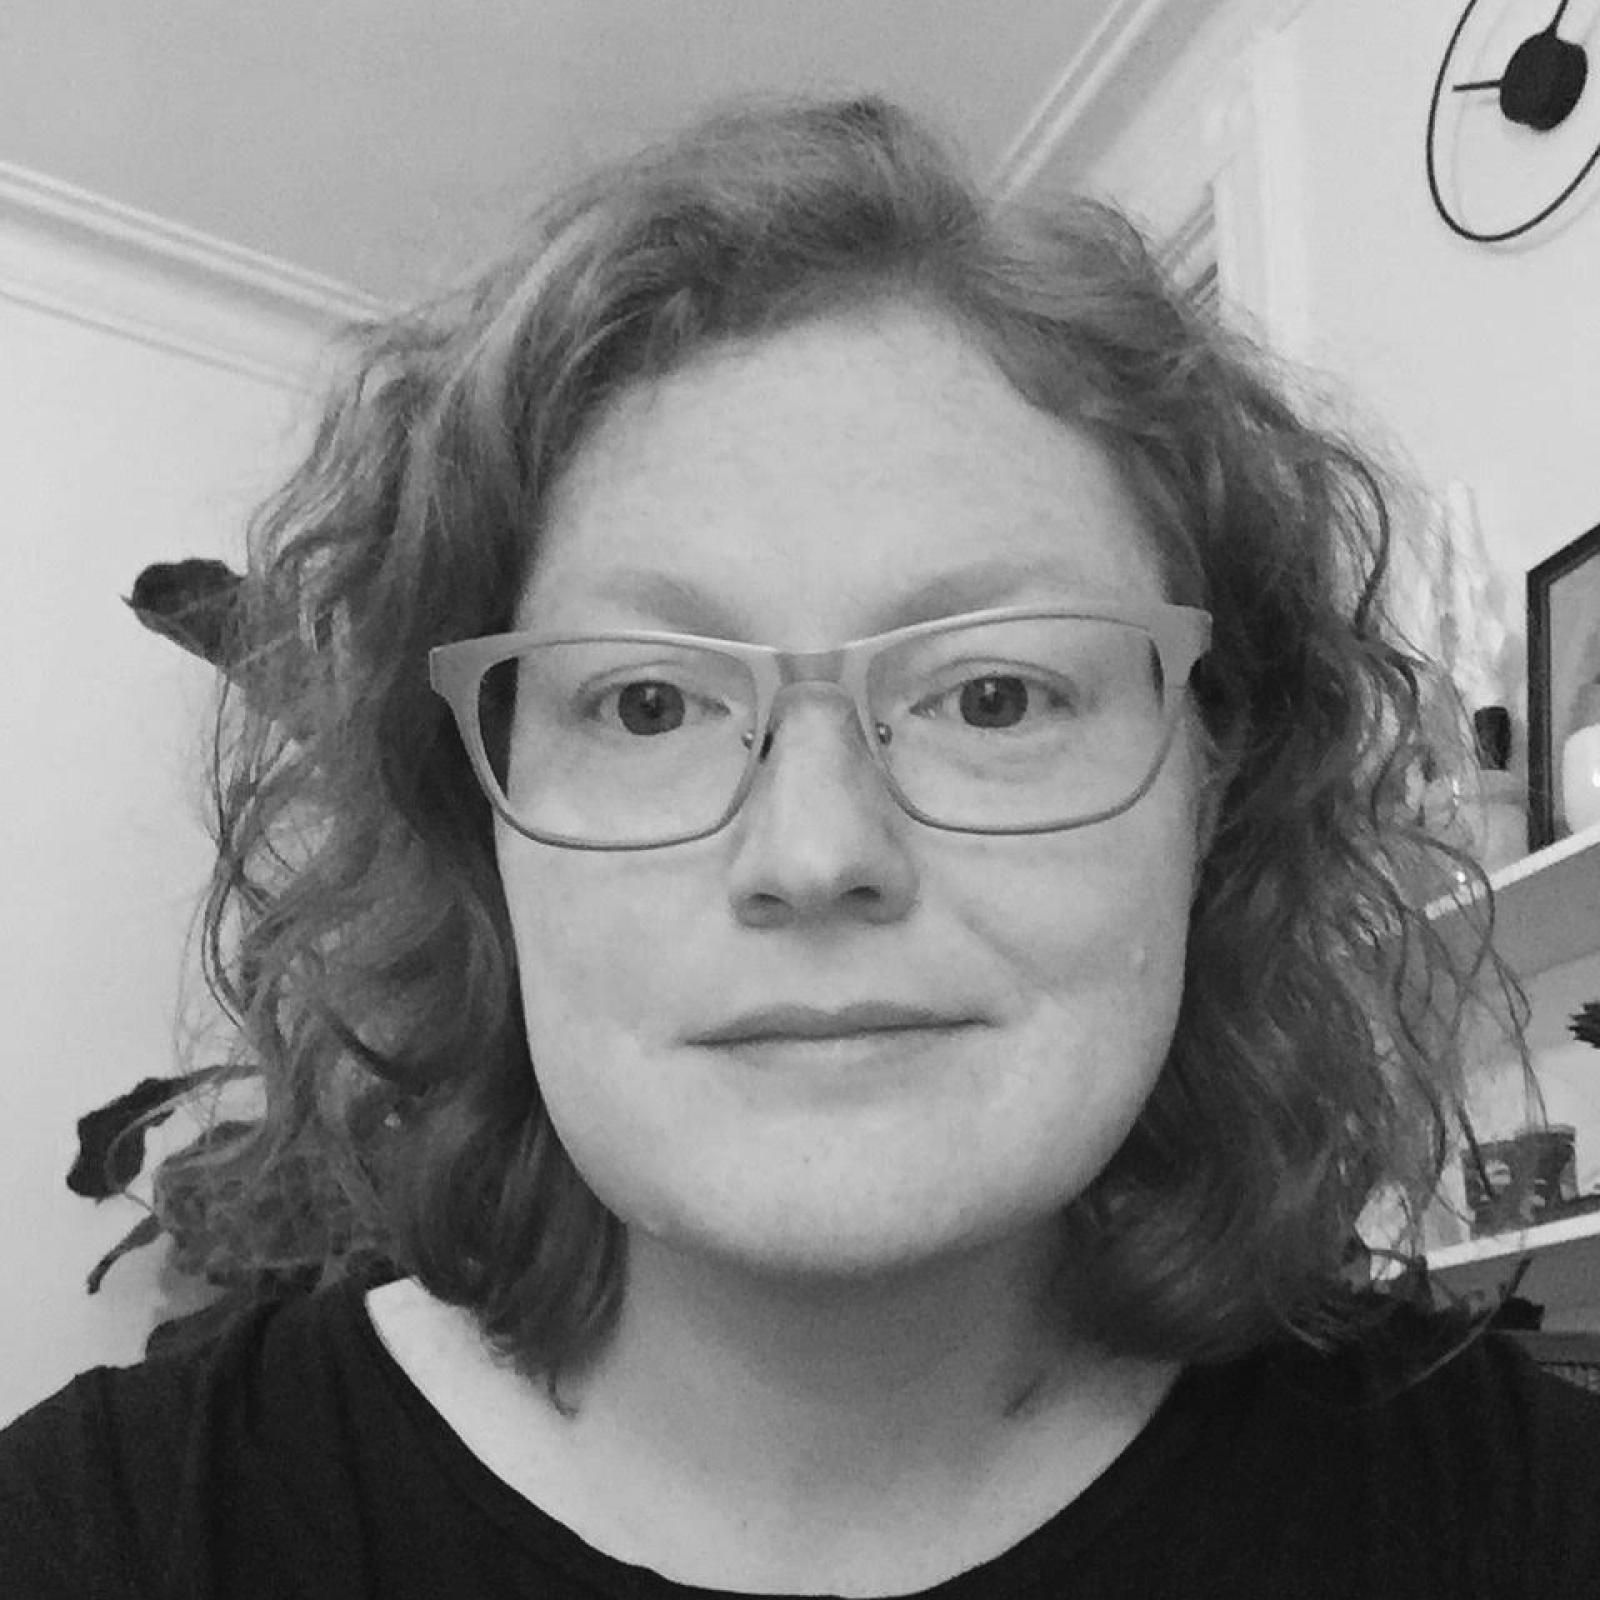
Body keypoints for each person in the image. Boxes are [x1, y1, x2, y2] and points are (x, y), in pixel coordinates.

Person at [3, 93, 1598, 1600]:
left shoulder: (1522, 1517)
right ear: (479, 827)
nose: (819, 849)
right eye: (642, 703)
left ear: (1216, 790)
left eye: (993, 691)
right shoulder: (117, 1535)